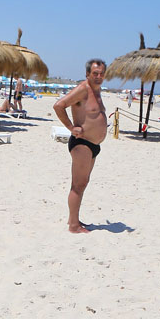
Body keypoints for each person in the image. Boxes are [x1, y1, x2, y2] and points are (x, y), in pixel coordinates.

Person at [52, 58, 108, 234]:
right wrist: (70, 127)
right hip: (82, 144)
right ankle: (73, 226)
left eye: (101, 74)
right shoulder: (83, 89)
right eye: (95, 73)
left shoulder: (96, 92)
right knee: (78, 184)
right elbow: (59, 105)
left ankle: (73, 219)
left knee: (83, 183)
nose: (98, 77)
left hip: (93, 145)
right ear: (87, 74)